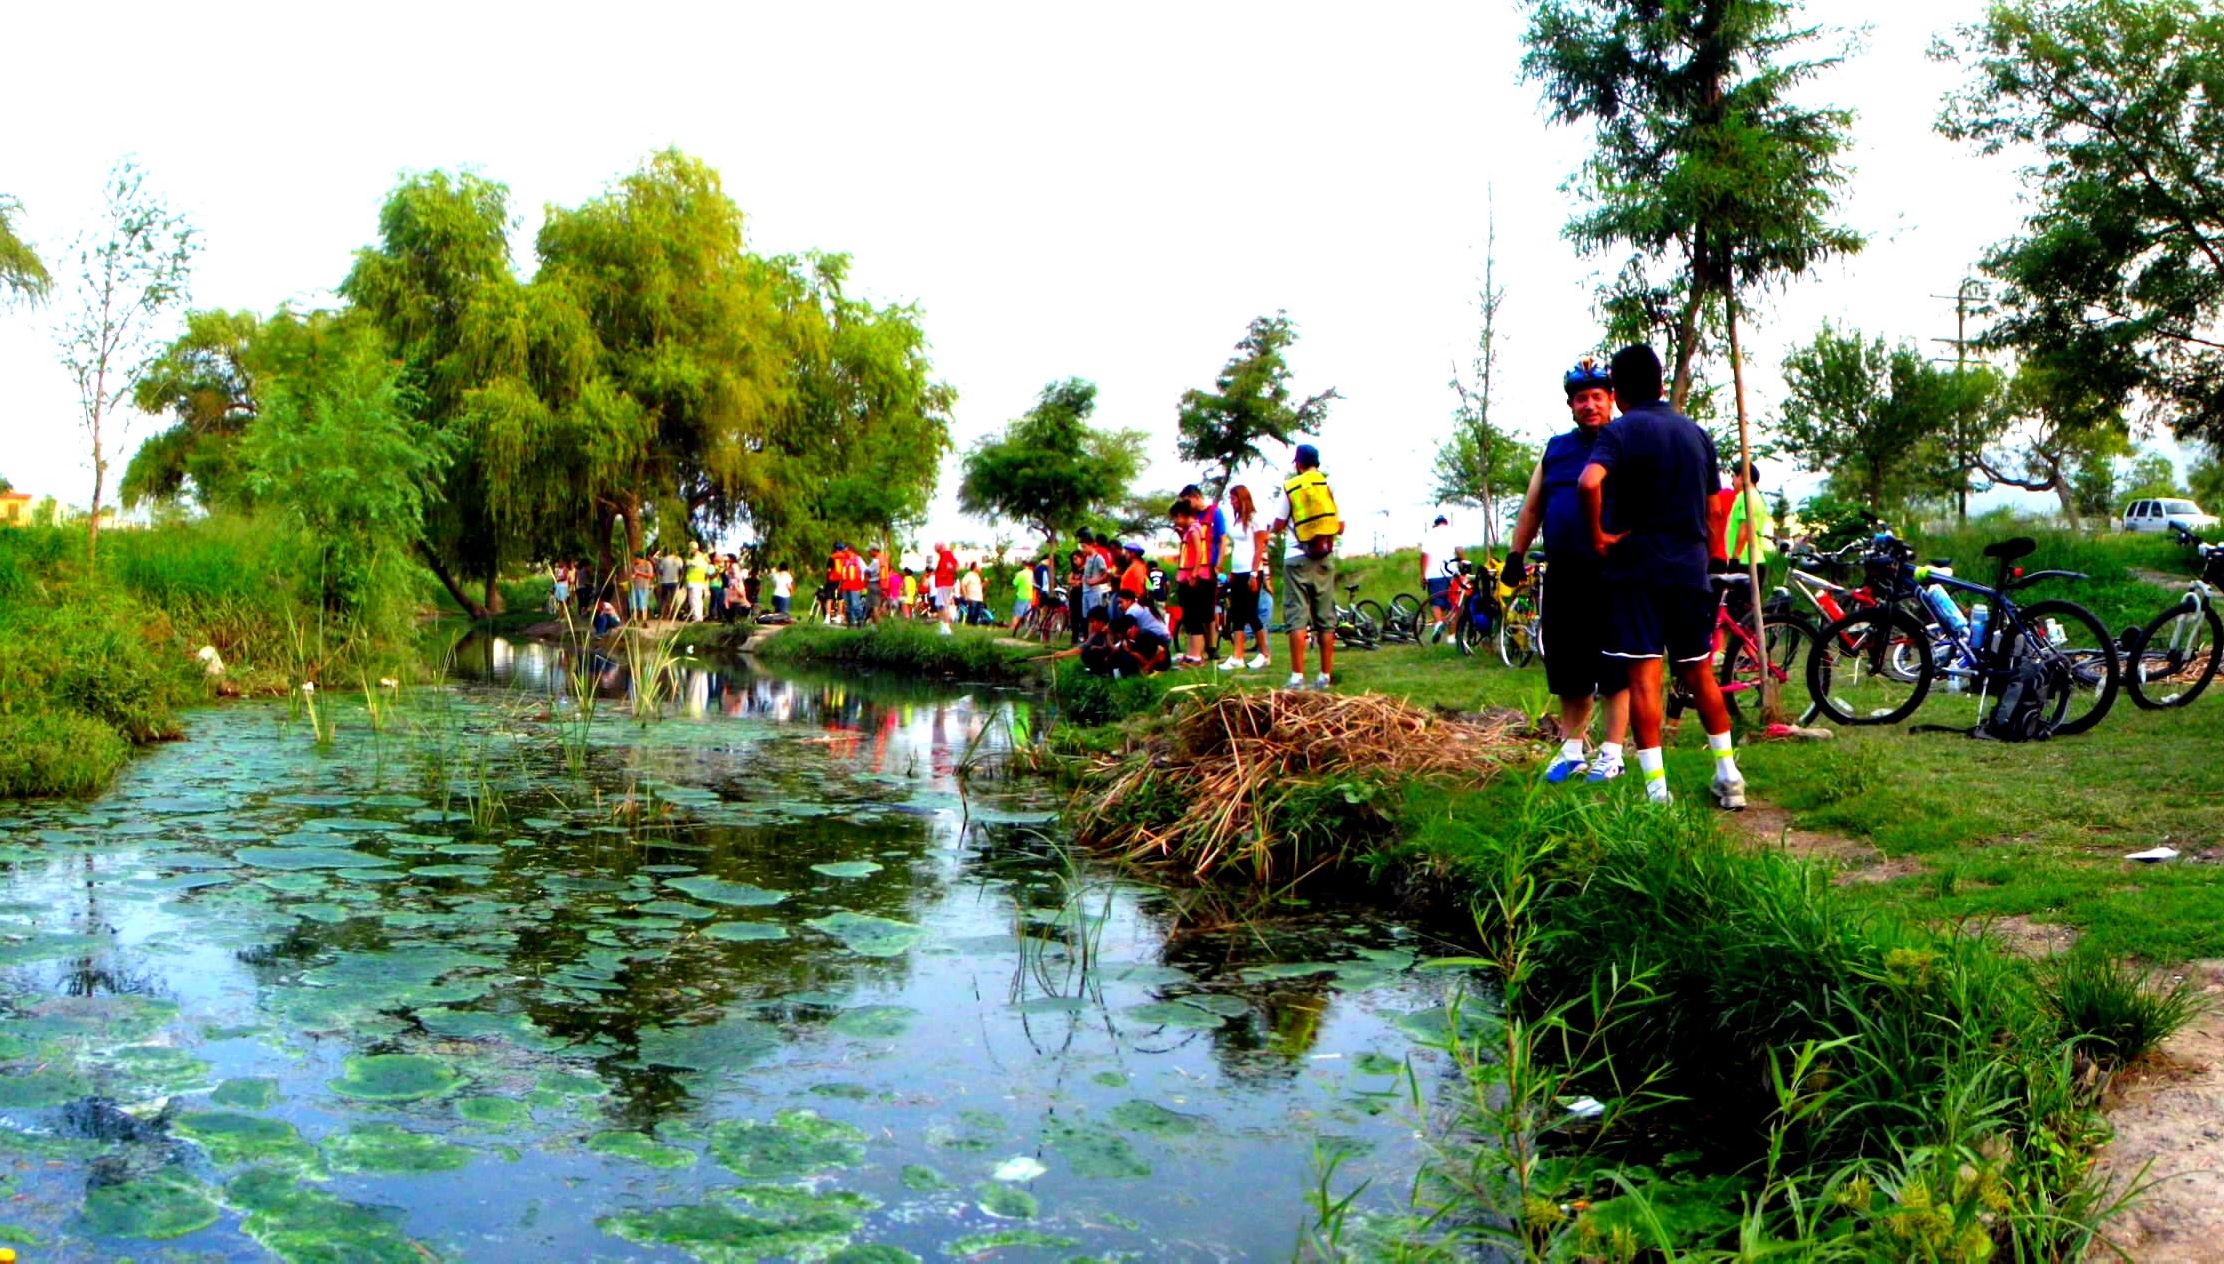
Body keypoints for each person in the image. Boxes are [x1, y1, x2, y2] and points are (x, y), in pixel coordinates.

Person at [1578, 344, 1745, 809]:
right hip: (1689, 572)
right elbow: (1715, 509)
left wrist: (1599, 535)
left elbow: (1589, 482)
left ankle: (1657, 794)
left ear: (1618, 391)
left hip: (1636, 572)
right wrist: (1704, 556)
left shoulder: (1619, 433)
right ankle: (1729, 777)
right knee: (1699, 672)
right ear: (1660, 382)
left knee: (1644, 678)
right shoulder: (1695, 433)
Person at [1504, 357, 1633, 783]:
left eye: (1598, 396)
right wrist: (1515, 555)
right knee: (1568, 662)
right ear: (1571, 405)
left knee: (1615, 662)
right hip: (1564, 572)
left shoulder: (1626, 442)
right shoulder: (1556, 449)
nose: (1590, 404)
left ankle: (1612, 751)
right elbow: (1533, 506)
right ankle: (1571, 748)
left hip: (1614, 573)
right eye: (1581, 398)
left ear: (1612, 399)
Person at [1271, 443, 1342, 691]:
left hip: (1296, 556)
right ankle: (1324, 675)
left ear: (1298, 464)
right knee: (1325, 618)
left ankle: (1297, 676)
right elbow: (1340, 525)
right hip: (1323, 556)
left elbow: (1278, 524)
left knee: (1297, 618)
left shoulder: (1290, 486)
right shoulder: (1329, 485)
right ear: (1318, 463)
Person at [1217, 485, 1272, 671]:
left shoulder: (1256, 520)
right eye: (1230, 499)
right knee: (1237, 613)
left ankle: (1265, 653)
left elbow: (1258, 549)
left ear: (1243, 499)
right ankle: (1237, 655)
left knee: (1251, 612)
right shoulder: (1237, 520)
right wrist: (1232, 571)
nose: (1232, 502)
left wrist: (1255, 573)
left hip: (1251, 571)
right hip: (1238, 571)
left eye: (1234, 498)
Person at [1171, 498, 1216, 667]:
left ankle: (1197, 656)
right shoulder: (1188, 531)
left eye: (1176, 518)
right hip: (1185, 578)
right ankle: (1191, 654)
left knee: (1195, 617)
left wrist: (1194, 574)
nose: (1175, 522)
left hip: (1192, 579)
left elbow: (1199, 553)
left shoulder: (1195, 529)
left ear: (1182, 515)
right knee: (1189, 618)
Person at [1419, 514, 1462, 638]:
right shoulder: (1453, 532)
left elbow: (1425, 555)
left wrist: (1423, 574)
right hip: (1451, 573)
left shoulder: (1429, 534)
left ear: (1435, 524)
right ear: (1446, 523)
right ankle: (1452, 637)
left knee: (1436, 602)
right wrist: (1463, 562)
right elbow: (1459, 550)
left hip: (1434, 574)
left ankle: (1438, 622)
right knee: (1452, 605)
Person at [1112, 589, 1172, 673]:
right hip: (1164, 637)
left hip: (1158, 639)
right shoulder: (1139, 606)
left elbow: (1125, 629)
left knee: (1129, 648)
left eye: (1121, 602)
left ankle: (1147, 667)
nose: (1119, 606)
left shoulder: (1132, 611)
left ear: (1129, 601)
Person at [932, 543, 960, 635]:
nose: (936, 550)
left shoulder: (947, 554)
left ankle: (946, 628)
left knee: (941, 605)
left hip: (945, 583)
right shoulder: (944, 556)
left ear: (940, 548)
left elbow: (955, 566)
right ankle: (944, 626)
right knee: (942, 605)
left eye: (936, 548)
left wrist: (947, 572)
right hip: (944, 583)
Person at [1010, 554, 1037, 633]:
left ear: (1024, 565)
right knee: (1027, 614)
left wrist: (1016, 576)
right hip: (1030, 596)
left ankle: (1013, 628)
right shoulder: (1032, 574)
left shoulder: (1020, 573)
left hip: (1021, 595)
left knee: (1017, 614)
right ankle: (1025, 628)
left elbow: (1014, 583)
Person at [684, 545, 711, 622]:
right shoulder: (698, 558)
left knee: (695, 600)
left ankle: (697, 618)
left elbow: (692, 563)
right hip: (694, 582)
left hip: (696, 583)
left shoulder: (699, 559)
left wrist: (687, 561)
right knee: (694, 600)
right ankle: (696, 617)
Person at [629, 551, 655, 624]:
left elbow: (650, 575)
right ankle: (634, 620)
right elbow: (632, 574)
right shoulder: (634, 565)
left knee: (643, 604)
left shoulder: (647, 564)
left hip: (643, 587)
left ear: (640, 558)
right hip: (635, 587)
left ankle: (644, 620)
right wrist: (633, 576)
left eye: (636, 558)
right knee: (634, 604)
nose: (635, 560)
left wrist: (639, 573)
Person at [657, 548, 682, 619]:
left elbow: (660, 571)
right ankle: (673, 615)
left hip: (665, 581)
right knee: (673, 599)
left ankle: (661, 614)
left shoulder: (664, 559)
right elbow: (681, 570)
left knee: (663, 599)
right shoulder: (678, 559)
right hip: (674, 581)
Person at [958, 560, 986, 625]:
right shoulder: (969, 575)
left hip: (979, 598)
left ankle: (974, 625)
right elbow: (963, 584)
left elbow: (979, 587)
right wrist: (965, 595)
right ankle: (969, 625)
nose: (981, 568)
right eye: (979, 567)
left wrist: (985, 583)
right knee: (972, 613)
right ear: (975, 567)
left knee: (978, 613)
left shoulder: (978, 576)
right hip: (972, 598)